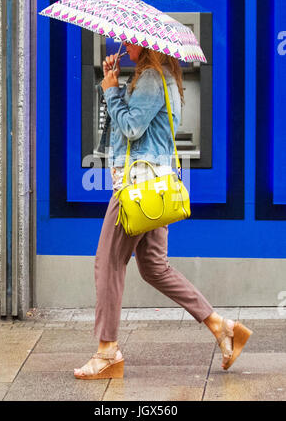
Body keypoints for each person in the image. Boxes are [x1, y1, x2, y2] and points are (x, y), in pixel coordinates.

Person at [74, 42, 252, 380]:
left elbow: (131, 128)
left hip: (138, 189)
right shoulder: (163, 75)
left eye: (129, 41)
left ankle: (107, 352)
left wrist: (111, 91)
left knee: (107, 263)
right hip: (156, 185)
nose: (124, 45)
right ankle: (222, 327)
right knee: (155, 268)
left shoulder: (152, 78)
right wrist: (115, 81)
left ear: (144, 45)